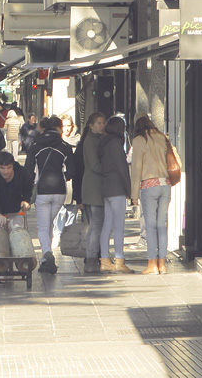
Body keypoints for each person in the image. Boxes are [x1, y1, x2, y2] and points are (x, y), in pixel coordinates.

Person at [130, 114, 175, 275]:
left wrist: (134, 193)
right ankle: (162, 263)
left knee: (150, 226)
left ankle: (152, 264)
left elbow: (136, 169)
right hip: (165, 184)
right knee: (162, 225)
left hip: (149, 185)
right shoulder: (162, 137)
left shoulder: (139, 140)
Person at [26, 116, 72, 275]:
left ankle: (47, 253)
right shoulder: (65, 146)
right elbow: (72, 171)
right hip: (60, 190)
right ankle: (46, 259)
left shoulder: (35, 146)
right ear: (59, 128)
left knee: (43, 227)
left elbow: (28, 171)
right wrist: (63, 176)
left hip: (42, 191)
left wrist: (26, 192)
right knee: (50, 224)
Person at [71, 112, 108, 273]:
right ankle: (92, 258)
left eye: (103, 122)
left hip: (93, 188)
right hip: (94, 189)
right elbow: (94, 165)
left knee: (95, 225)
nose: (102, 125)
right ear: (91, 125)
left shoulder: (93, 140)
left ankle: (94, 256)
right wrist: (109, 169)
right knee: (96, 225)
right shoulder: (91, 141)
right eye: (99, 122)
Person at [98, 114, 134, 273]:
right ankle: (119, 260)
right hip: (117, 188)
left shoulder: (104, 144)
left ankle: (105, 259)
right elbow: (122, 168)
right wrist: (129, 190)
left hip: (106, 187)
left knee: (107, 225)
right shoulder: (115, 144)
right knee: (119, 226)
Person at [0, 151, 33, 234]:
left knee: (18, 235)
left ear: (13, 166)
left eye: (9, 167)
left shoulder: (22, 173)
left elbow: (28, 187)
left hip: (15, 209)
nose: (5, 171)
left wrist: (26, 199)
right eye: (2, 168)